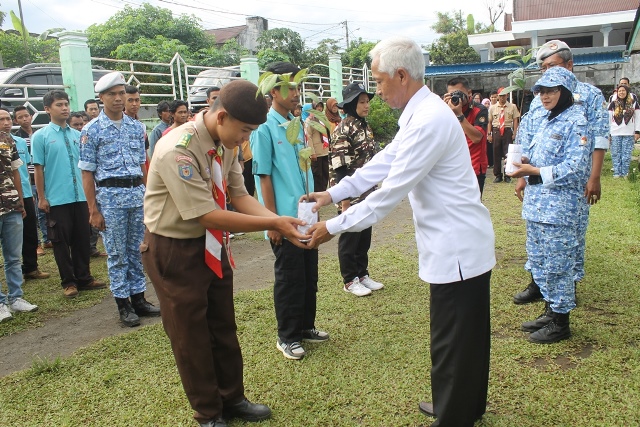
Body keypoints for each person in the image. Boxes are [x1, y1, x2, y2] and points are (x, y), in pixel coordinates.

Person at [305, 37, 495, 427]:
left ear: (402, 75)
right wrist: (331, 193)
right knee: (464, 337)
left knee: (454, 339)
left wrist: (333, 226)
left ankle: (454, 414)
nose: (376, 91)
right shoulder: (418, 113)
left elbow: (388, 194)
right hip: (456, 243)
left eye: (378, 81)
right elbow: (382, 163)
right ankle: (460, 404)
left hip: (457, 247)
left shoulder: (428, 120)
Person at [142, 80, 308, 427]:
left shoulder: (226, 142)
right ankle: (208, 412)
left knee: (222, 325)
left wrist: (277, 220)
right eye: (244, 130)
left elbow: (239, 194)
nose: (245, 139)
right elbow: (206, 214)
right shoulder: (179, 149)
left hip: (213, 243)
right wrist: (275, 223)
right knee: (191, 335)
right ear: (221, 116)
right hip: (176, 249)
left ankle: (232, 399)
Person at [513, 40, 609, 304]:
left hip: (569, 181)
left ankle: (566, 288)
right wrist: (523, 176)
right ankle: (539, 284)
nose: (547, 73)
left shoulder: (589, 96)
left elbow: (599, 138)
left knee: (569, 234)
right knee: (538, 237)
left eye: (552, 66)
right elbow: (528, 135)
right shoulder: (539, 98)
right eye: (543, 68)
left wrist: (595, 177)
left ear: (569, 65)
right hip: (538, 183)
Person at [250, 61, 329, 361]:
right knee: (289, 277)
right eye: (290, 88)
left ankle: (306, 326)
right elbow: (264, 176)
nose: (297, 94)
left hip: (306, 216)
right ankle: (287, 336)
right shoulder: (264, 129)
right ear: (273, 90)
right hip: (284, 218)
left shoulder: (296, 125)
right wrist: (271, 221)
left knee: (309, 275)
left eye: (297, 87)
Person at [508, 67, 590, 343]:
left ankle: (561, 322)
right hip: (537, 205)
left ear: (565, 91)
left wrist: (534, 171)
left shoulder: (576, 121)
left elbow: (577, 167)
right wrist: (520, 162)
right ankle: (551, 310)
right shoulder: (547, 119)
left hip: (559, 209)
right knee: (540, 261)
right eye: (541, 91)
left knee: (558, 264)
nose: (545, 96)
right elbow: (535, 152)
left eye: (551, 90)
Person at [79, 72, 159, 327]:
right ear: (101, 98)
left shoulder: (136, 127)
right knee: (116, 253)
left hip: (136, 195)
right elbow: (87, 172)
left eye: (121, 93)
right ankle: (123, 304)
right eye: (111, 94)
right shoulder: (91, 130)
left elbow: (142, 166)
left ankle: (139, 299)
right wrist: (93, 210)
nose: (117, 98)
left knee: (137, 250)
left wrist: (150, 195)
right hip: (110, 198)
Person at [32, 90, 106, 298]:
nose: (64, 108)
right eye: (59, 105)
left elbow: (87, 168)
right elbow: (39, 169)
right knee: (60, 243)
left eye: (65, 104)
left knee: (82, 239)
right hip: (57, 199)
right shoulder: (41, 137)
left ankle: (84, 277)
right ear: (47, 109)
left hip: (81, 197)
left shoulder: (79, 135)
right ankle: (69, 281)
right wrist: (42, 197)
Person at [329, 82, 384, 297]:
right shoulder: (344, 128)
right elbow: (340, 167)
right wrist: (345, 201)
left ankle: (362, 274)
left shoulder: (363, 125)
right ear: (351, 104)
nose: (366, 105)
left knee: (364, 235)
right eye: (362, 102)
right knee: (350, 237)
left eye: (367, 101)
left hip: (367, 192)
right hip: (349, 194)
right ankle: (349, 280)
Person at [1, 109, 49, 281]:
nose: (6, 123)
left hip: (25, 193)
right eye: (2, 120)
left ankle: (30, 267)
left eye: (7, 119)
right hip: (5, 197)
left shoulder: (20, 142)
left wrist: (31, 190)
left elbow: (27, 168)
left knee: (30, 231)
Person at [0, 128, 38, 323]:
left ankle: (15, 297)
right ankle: (0, 304)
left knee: (13, 257)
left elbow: (17, 171)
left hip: (11, 205)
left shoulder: (7, 139)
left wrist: (21, 201)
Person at [12, 106, 49, 253]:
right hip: (30, 181)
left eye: (26, 116)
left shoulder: (39, 135)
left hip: (42, 178)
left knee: (45, 209)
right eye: (20, 117)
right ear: (16, 120)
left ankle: (48, 238)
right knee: (34, 213)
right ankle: (39, 242)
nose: (25, 119)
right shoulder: (17, 138)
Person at [444, 77, 489, 196]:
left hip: (474, 167)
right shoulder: (446, 110)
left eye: (459, 93)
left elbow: (477, 138)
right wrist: (442, 109)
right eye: (452, 94)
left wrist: (459, 115)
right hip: (453, 167)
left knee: (472, 208)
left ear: (469, 93)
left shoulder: (479, 110)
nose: (456, 97)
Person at [607, 84, 640, 178]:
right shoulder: (613, 104)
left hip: (629, 132)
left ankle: (625, 173)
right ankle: (617, 173)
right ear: (617, 92)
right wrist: (608, 133)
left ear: (627, 92)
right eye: (619, 91)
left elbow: (637, 118)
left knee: (626, 154)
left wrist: (637, 131)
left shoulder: (633, 103)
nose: (621, 92)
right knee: (616, 153)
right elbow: (609, 119)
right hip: (615, 132)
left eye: (623, 91)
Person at [488, 87, 520, 183]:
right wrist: (489, 134)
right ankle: (497, 174)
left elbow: (515, 120)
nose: (502, 98)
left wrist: (515, 132)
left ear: (507, 96)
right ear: (498, 96)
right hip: (496, 130)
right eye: (501, 96)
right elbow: (490, 121)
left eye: (504, 96)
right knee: (496, 153)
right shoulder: (492, 107)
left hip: (507, 130)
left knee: (508, 153)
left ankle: (508, 174)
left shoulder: (512, 106)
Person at [305, 100, 330, 193]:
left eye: (320, 106)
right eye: (317, 107)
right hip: (316, 152)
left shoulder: (323, 119)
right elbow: (308, 136)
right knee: (317, 174)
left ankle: (323, 192)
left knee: (325, 172)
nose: (319, 109)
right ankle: (317, 192)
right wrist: (312, 153)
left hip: (325, 150)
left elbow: (327, 134)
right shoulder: (309, 121)